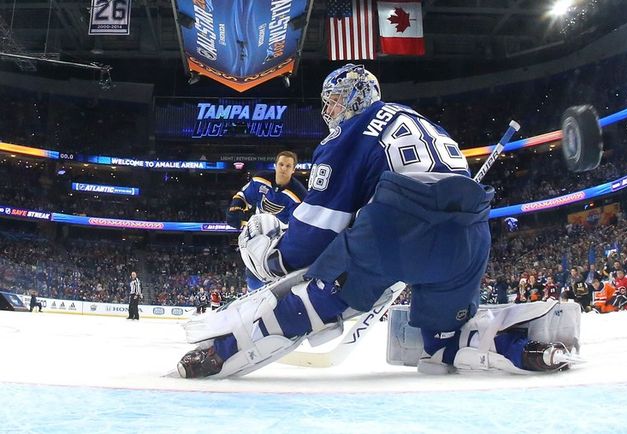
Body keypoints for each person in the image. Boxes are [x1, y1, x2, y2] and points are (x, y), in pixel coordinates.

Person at [177, 64, 578, 378]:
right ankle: (524, 347)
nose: (328, 110)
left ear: (355, 96)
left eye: (333, 99)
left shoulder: (350, 132)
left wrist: (275, 260)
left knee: (309, 304)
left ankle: (221, 351)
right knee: (445, 343)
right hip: (470, 238)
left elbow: (317, 234)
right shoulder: (423, 121)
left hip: (395, 230)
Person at [225, 151, 308, 291]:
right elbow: (243, 196)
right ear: (275, 166)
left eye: (288, 166)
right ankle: (253, 296)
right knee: (253, 271)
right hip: (259, 231)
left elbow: (298, 226)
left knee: (277, 273)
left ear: (293, 170)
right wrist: (235, 209)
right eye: (281, 164)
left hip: (283, 239)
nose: (283, 168)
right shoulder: (260, 180)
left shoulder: (299, 195)